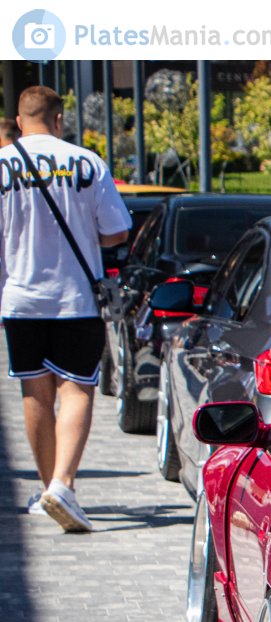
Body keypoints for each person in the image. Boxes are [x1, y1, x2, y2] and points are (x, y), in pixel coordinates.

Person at [1, 86, 130, 532]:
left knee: (34, 392)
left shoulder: (1, 166)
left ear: (20, 122)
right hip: (75, 299)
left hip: (19, 299)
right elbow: (116, 233)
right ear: (59, 120)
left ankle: (47, 490)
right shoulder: (88, 162)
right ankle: (63, 483)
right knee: (75, 388)